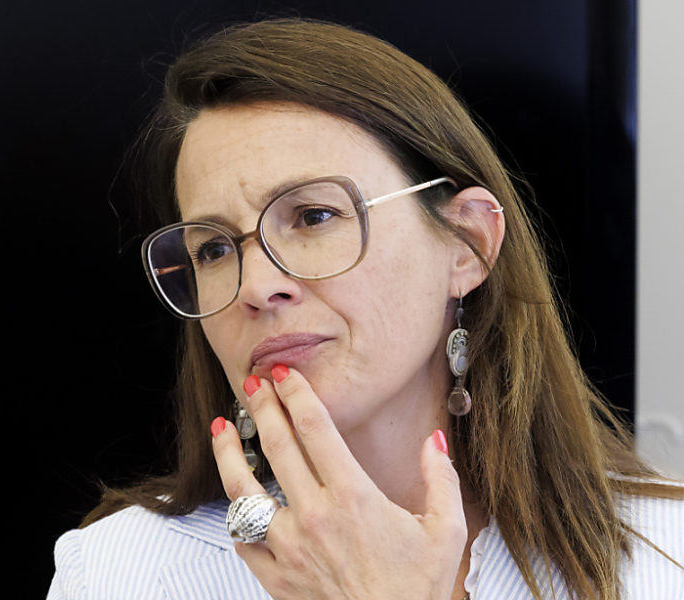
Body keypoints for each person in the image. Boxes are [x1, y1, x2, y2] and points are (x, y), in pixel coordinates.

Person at [48, 18, 684, 600]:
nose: (256, 287)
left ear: (467, 245)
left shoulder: (669, 558)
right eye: (213, 249)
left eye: (313, 216)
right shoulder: (116, 573)